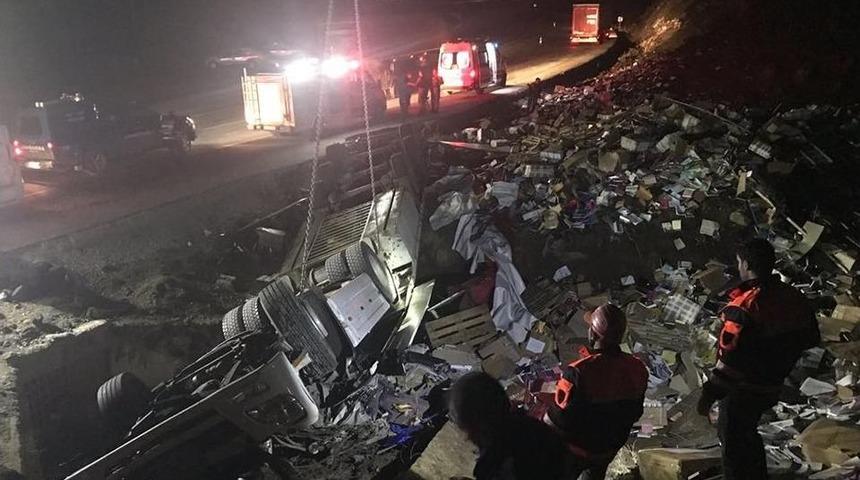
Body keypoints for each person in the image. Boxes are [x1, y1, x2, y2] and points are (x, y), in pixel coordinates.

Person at [697, 238, 820, 480]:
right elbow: (811, 337)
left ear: (747, 264)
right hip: (773, 384)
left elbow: (730, 362)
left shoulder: (744, 306)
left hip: (744, 387)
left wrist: (708, 395)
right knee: (748, 436)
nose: (738, 267)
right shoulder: (792, 297)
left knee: (733, 442)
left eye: (739, 262)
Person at [546, 303, 648, 480]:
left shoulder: (578, 372)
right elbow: (637, 412)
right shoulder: (637, 368)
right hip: (608, 448)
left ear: (592, 333)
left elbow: (560, 419)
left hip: (577, 449)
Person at [449, 372, 571, 480]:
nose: (466, 437)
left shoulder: (498, 468)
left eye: (465, 426)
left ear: (474, 429)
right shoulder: (530, 427)